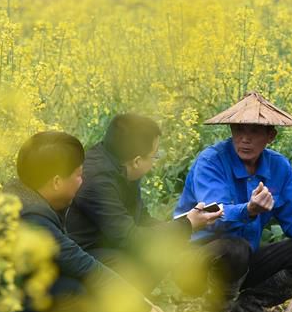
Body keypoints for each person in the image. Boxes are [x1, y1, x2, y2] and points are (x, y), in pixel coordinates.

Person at [0, 131, 174, 312]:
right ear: (57, 181)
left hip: (4, 296)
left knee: (76, 284)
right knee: (75, 293)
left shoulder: (26, 193)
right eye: (78, 175)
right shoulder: (30, 217)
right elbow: (85, 266)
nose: (82, 181)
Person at [174, 92, 292, 312]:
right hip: (196, 263)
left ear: (270, 136)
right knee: (235, 247)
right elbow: (211, 215)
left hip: (242, 265)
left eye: (254, 131)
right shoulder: (211, 161)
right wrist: (248, 210)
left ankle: (250, 304)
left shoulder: (278, 166)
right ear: (231, 130)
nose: (245, 139)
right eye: (239, 130)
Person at [66, 113, 222, 289]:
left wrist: (182, 228)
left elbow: (142, 219)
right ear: (137, 161)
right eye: (154, 156)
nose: (155, 163)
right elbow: (129, 238)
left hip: (109, 243)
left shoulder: (121, 163)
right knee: (132, 264)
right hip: (82, 254)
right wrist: (186, 225)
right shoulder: (98, 180)